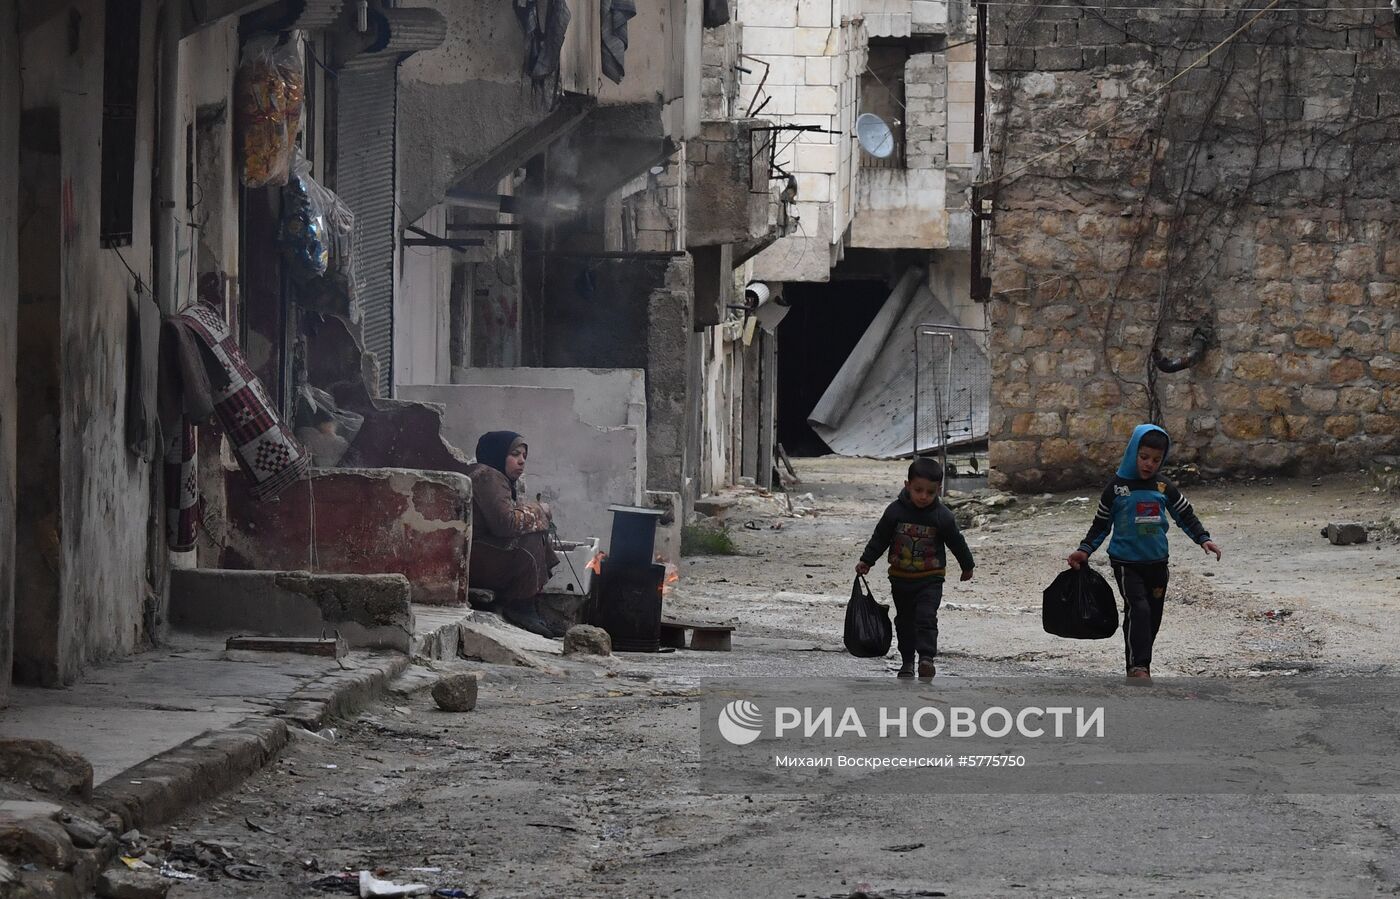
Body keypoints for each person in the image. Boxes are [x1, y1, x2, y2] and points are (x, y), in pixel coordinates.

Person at [1067, 423, 1222, 681]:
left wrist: (1203, 539)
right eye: (1144, 457)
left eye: (1156, 460)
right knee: (1138, 608)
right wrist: (1085, 550)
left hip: (1157, 564)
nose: (1149, 464)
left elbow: (1184, 514)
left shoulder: (1163, 487)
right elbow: (1101, 524)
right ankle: (1139, 667)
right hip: (1126, 563)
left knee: (1152, 615)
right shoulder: (1116, 488)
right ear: (1133, 453)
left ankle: (1138, 661)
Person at [856, 457, 974, 679]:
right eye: (918, 490)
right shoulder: (894, 512)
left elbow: (957, 542)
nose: (923, 497)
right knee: (904, 621)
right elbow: (880, 538)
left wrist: (967, 566)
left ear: (938, 490)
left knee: (927, 617)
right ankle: (907, 661)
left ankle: (926, 658)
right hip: (900, 579)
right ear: (907, 485)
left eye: (930, 492)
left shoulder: (942, 516)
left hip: (931, 578)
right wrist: (867, 561)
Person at [465, 431, 563, 637]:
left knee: (534, 532)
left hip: (481, 552)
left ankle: (528, 605)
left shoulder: (493, 477)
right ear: (497, 453)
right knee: (530, 538)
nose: (521, 462)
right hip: (476, 557)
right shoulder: (488, 476)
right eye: (515, 454)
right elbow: (505, 524)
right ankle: (521, 605)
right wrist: (539, 510)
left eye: (524, 457)